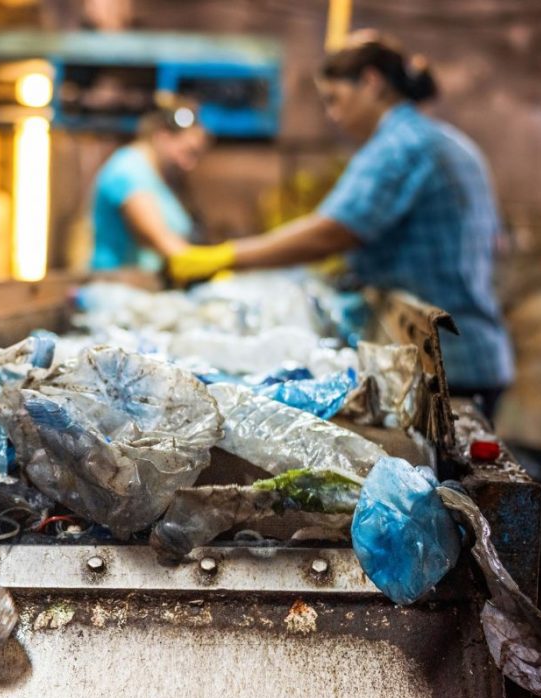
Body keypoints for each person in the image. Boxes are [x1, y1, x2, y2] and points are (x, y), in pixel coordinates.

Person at [169, 31, 513, 420]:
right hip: (469, 350)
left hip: (450, 364)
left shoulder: (401, 145)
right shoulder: (442, 139)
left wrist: (225, 257)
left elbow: (333, 231)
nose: (332, 115)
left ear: (371, 81)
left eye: (335, 99)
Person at [90, 99, 210, 272]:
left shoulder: (160, 177)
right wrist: (228, 258)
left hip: (144, 284)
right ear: (163, 137)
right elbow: (161, 242)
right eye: (188, 152)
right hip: (116, 285)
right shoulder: (128, 171)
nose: (190, 164)